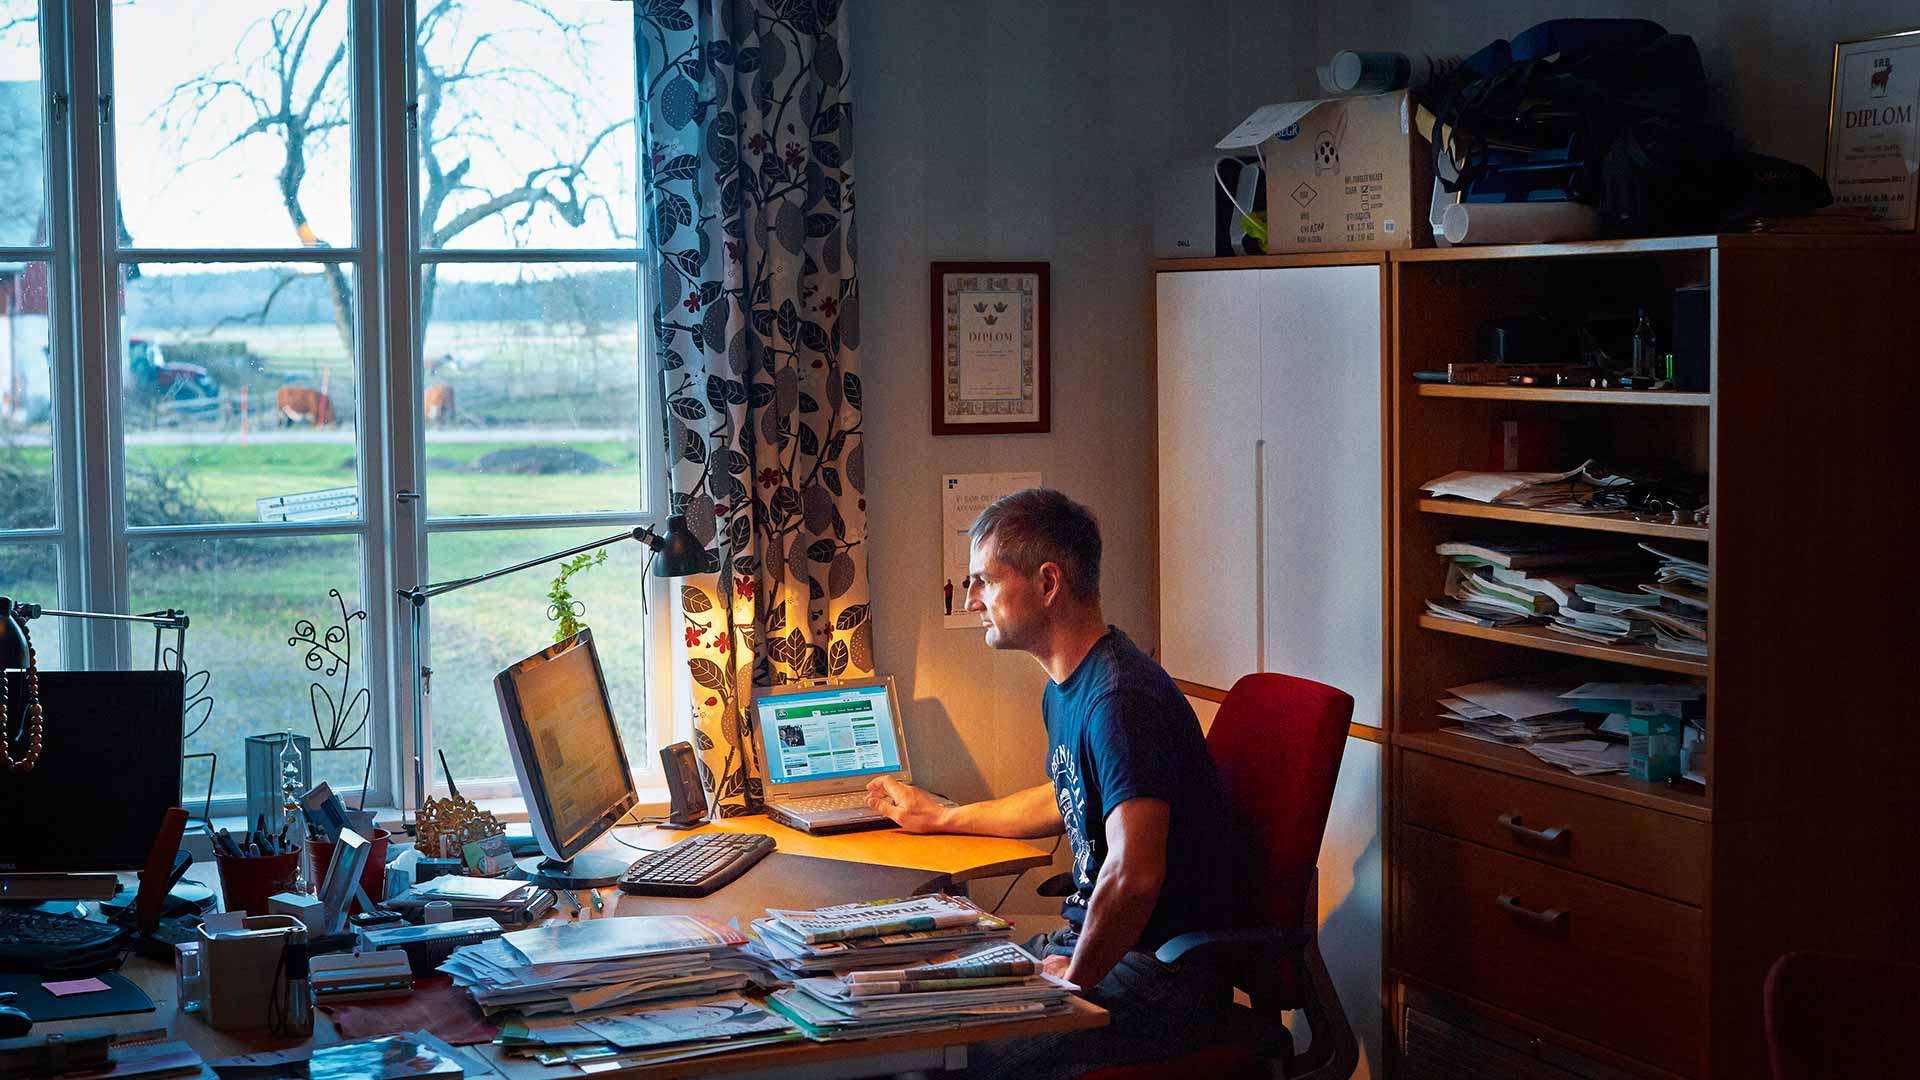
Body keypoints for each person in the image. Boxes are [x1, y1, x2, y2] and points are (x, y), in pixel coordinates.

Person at [866, 488, 1239, 1078]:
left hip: (1157, 976)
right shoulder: (1071, 687)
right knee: (902, 1008)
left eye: (983, 581)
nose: (970, 601)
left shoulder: (1120, 699)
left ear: (1047, 584)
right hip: (1094, 945)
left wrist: (1076, 980)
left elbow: (1136, 873)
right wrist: (942, 817)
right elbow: (1065, 796)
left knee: (943, 1057)